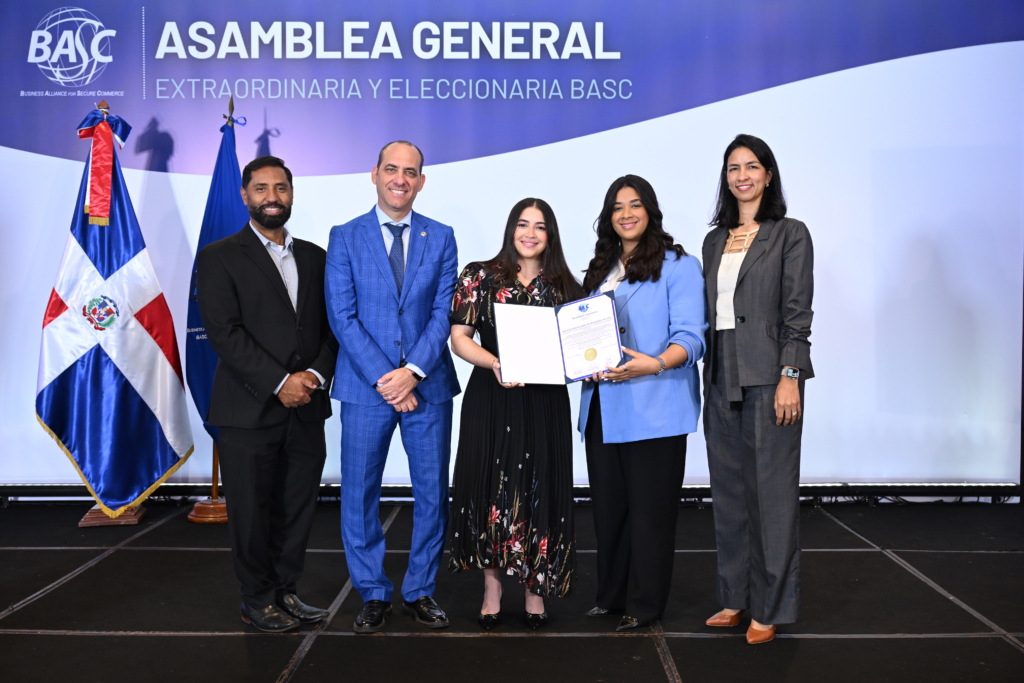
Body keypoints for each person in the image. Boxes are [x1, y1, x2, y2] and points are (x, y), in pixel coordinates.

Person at [197, 156, 339, 632]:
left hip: (307, 408)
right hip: (248, 410)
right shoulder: (219, 256)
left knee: (296, 508)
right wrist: (282, 382)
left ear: (292, 194)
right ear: (245, 195)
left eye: (281, 188)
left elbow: (332, 330)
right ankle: (255, 599)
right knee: (252, 512)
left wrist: (314, 377)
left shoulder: (318, 257)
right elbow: (224, 332)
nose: (272, 197)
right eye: (261, 188)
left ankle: (286, 592)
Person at [325, 141, 461, 633]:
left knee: (431, 493)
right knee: (359, 493)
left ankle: (421, 590)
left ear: (422, 181)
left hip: (429, 386)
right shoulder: (344, 237)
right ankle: (373, 591)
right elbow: (343, 317)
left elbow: (445, 312)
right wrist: (390, 379)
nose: (400, 179)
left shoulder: (441, 236)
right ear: (374, 174)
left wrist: (414, 372)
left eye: (411, 171)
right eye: (391, 169)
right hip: (367, 388)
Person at [448, 198, 584, 630]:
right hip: (493, 395)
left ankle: (534, 587)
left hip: (543, 403)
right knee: (490, 484)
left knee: (538, 485)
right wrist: (494, 363)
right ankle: (492, 586)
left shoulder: (565, 285)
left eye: (540, 227)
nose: (530, 233)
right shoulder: (480, 275)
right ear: (511, 229)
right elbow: (459, 338)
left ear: (551, 235)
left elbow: (578, 349)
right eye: (523, 224)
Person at [578, 175, 707, 632]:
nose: (626, 213)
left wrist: (653, 364)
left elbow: (692, 338)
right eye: (617, 207)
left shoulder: (679, 266)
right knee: (609, 512)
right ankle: (611, 596)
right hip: (601, 410)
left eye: (635, 204)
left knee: (651, 516)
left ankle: (645, 604)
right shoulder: (601, 268)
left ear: (650, 210)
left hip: (654, 407)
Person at [701, 134, 813, 645]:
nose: (741, 175)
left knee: (770, 496)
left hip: (771, 376)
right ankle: (735, 598)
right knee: (728, 493)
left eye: (751, 166)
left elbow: (797, 314)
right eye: (732, 168)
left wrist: (792, 375)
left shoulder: (790, 234)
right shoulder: (714, 239)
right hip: (721, 372)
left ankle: (768, 608)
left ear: (768, 174)